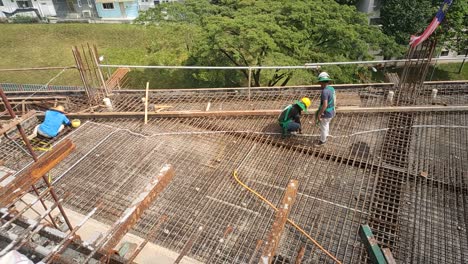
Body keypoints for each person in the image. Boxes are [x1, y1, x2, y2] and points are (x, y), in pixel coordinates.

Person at [315, 72, 336, 146]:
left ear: (322, 82)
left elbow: (325, 105)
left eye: (320, 82)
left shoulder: (324, 91)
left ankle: (322, 141)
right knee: (326, 124)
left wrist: (319, 114)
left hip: (326, 113)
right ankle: (326, 136)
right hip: (332, 111)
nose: (320, 84)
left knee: (323, 127)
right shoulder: (331, 88)